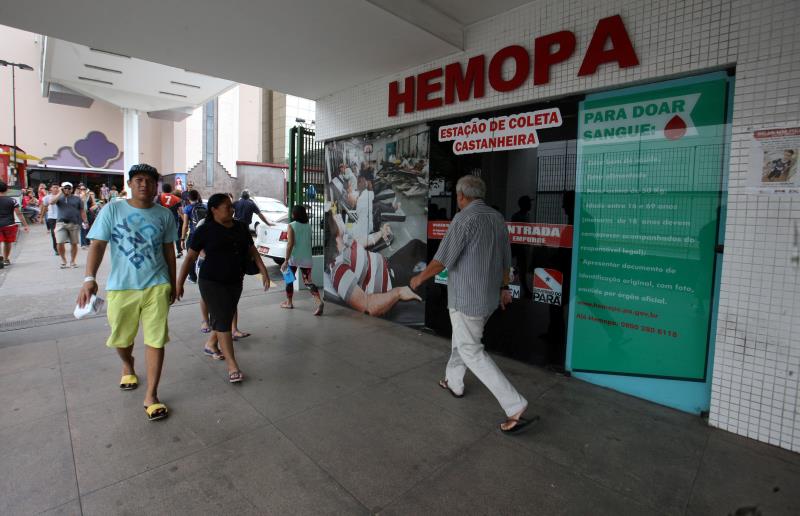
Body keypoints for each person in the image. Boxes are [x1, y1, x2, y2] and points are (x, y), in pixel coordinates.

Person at [410, 175, 532, 434]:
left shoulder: (464, 218)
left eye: (457, 195)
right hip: (488, 299)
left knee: (471, 349)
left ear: (462, 196)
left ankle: (514, 405)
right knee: (463, 339)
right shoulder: (497, 218)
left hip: (467, 299)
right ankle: (454, 381)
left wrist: (420, 277)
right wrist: (504, 288)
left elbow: (442, 259)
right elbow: (506, 258)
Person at [77, 163, 178, 422]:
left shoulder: (164, 215)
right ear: (130, 184)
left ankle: (151, 395)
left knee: (156, 339)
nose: (144, 184)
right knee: (121, 340)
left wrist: (174, 281)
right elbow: (98, 245)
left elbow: (169, 251)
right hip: (122, 287)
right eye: (139, 180)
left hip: (157, 285)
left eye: (149, 180)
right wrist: (89, 278)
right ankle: (127, 363)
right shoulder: (112, 209)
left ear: (156, 186)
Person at [176, 193, 270, 383]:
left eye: (231, 206)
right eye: (227, 206)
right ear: (214, 210)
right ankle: (232, 365)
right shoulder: (205, 230)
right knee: (223, 320)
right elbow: (190, 258)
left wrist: (264, 272)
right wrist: (179, 283)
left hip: (235, 280)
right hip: (211, 281)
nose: (232, 209)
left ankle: (211, 344)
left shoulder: (240, 227)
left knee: (224, 316)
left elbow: (252, 251)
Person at [280, 204, 323, 315]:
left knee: (289, 280)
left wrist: (286, 260)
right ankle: (319, 302)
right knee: (308, 282)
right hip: (307, 258)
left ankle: (289, 303)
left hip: (293, 258)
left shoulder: (291, 225)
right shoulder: (308, 226)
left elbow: (290, 244)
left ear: (295, 214)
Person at [49, 181, 87, 268]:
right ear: (62, 189)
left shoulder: (77, 199)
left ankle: (73, 261)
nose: (67, 190)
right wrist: (60, 193)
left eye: (69, 188)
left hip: (74, 223)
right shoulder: (58, 198)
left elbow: (82, 210)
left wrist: (85, 221)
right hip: (61, 223)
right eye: (65, 188)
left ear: (72, 189)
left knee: (74, 243)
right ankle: (63, 260)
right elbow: (51, 202)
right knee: (59, 242)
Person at [0, 180, 30, 267]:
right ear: (7, 190)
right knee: (7, 242)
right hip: (9, 224)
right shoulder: (12, 201)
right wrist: (25, 225)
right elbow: (19, 214)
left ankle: (0, 255)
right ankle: (6, 259)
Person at [181, 190, 206, 283]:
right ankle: (204, 274)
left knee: (190, 257)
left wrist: (182, 239)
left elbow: (185, 225)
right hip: (204, 234)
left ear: (188, 198)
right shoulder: (204, 206)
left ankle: (192, 277)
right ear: (198, 196)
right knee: (203, 254)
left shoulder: (188, 208)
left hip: (193, 234)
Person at [159, 183, 184, 258]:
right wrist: (184, 220)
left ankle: (161, 251)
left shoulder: (159, 197)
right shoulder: (177, 199)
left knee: (162, 235)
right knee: (175, 235)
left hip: (162, 219)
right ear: (171, 189)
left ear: (163, 189)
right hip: (173, 219)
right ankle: (179, 251)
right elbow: (180, 211)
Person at [41, 184, 60, 255]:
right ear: (51, 189)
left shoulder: (62, 196)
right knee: (53, 233)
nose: (55, 189)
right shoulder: (47, 197)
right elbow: (44, 207)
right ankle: (56, 249)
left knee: (60, 233)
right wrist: (41, 217)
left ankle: (60, 246)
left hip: (60, 217)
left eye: (57, 187)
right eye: (54, 187)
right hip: (51, 217)